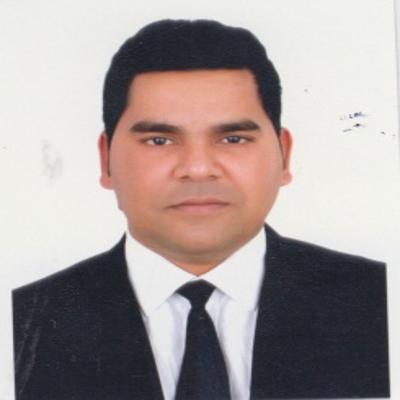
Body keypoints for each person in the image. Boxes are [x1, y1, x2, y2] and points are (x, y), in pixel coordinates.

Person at [13, 19, 389, 400]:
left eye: (233, 138)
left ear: (284, 154)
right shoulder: (21, 324)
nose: (197, 168)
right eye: (159, 140)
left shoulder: (381, 302)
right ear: (106, 159)